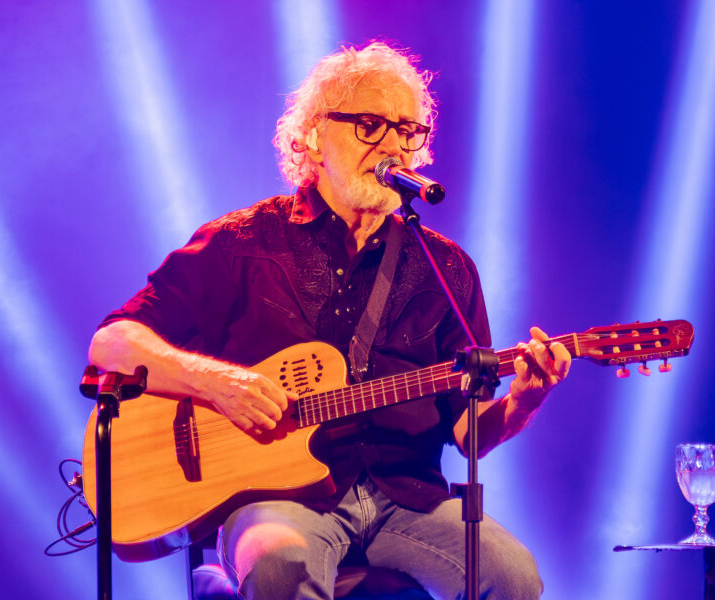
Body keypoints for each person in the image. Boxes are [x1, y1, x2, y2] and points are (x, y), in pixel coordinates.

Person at [89, 41, 571, 600]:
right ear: (315, 136)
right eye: (370, 125)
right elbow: (113, 343)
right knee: (280, 568)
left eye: (407, 131)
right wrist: (219, 383)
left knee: (513, 577)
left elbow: (468, 433)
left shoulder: (447, 268)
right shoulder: (241, 242)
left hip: (408, 498)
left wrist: (523, 401)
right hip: (278, 501)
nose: (393, 145)